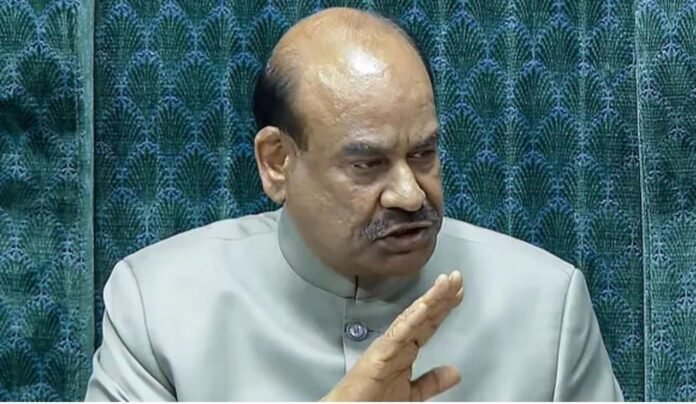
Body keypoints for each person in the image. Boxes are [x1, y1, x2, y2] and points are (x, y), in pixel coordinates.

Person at [84, 7, 624, 401]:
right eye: (367, 164)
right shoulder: (157, 305)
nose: (410, 194)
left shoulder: (546, 306)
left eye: (424, 154)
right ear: (277, 161)